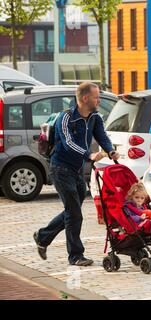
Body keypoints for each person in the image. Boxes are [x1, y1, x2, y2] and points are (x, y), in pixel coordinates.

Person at [33, 82, 120, 266]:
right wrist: (89, 155)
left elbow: (101, 135)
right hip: (60, 168)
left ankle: (42, 236)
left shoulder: (95, 116)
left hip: (77, 170)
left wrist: (110, 151)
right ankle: (75, 256)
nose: (99, 100)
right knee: (74, 213)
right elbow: (68, 143)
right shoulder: (66, 118)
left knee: (72, 211)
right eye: (96, 97)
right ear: (85, 98)